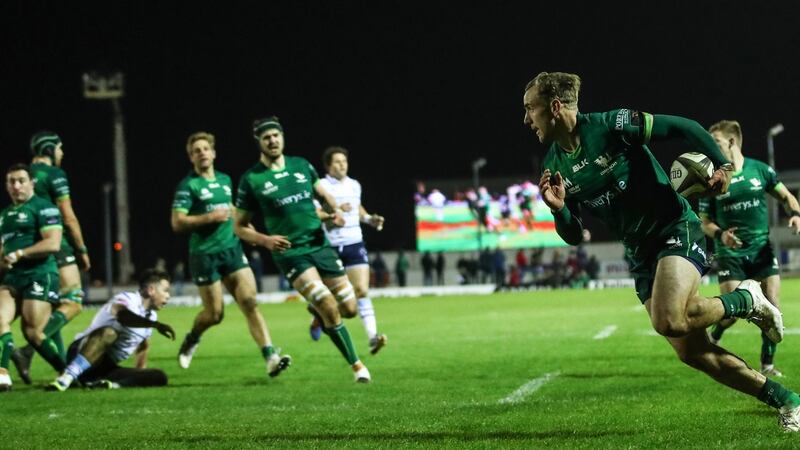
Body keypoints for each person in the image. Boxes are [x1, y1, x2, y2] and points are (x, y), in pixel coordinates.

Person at [525, 71, 799, 430]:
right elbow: (574, 235)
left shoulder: (612, 126)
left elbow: (686, 127)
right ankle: (786, 400)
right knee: (693, 352)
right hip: (640, 253)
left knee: (668, 319)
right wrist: (559, 208)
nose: (527, 119)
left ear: (555, 107)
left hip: (675, 227)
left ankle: (745, 300)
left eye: (531, 109)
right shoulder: (553, 165)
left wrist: (723, 164)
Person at [233, 116, 371, 383]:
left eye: (276, 136)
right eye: (266, 138)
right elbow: (240, 227)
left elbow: (322, 193)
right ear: (259, 142)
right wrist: (265, 240)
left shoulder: (301, 165)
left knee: (350, 308)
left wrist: (333, 211)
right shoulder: (251, 179)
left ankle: (318, 313)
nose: (272, 141)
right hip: (291, 252)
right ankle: (357, 366)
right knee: (329, 305)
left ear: (282, 137)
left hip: (320, 245)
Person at [171, 131, 290, 378]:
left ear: (213, 153)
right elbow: (177, 222)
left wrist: (250, 231)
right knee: (214, 314)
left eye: (206, 149)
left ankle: (270, 357)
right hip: (204, 255)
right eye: (197, 151)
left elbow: (233, 209)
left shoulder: (225, 180)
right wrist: (208, 218)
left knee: (249, 301)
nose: (202, 153)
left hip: (232, 250)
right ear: (191, 157)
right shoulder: (188, 185)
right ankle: (193, 338)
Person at [700, 120, 800, 377]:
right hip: (731, 254)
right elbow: (704, 221)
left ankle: (767, 364)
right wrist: (721, 235)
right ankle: (717, 332)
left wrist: (796, 214)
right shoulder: (714, 179)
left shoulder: (760, 170)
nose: (712, 148)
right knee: (733, 311)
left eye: (717, 142)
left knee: (772, 306)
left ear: (731, 142)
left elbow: (787, 197)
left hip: (761, 251)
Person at [12, 131, 91, 385]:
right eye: (59, 147)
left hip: (28, 247)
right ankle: (27, 349)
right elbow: (67, 216)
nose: (62, 153)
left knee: (54, 308)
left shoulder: (23, 175)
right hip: (55, 245)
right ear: (49, 149)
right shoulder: (55, 175)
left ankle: (61, 369)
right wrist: (81, 249)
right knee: (75, 300)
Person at [47, 269, 175, 391]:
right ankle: (66, 377)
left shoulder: (151, 316)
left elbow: (143, 347)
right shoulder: (127, 299)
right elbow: (122, 316)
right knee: (109, 332)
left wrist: (139, 373)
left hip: (104, 368)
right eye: (166, 290)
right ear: (151, 290)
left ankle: (111, 385)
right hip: (81, 351)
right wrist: (156, 325)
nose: (168, 296)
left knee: (159, 376)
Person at [315, 146, 388, 354]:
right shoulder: (320, 186)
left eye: (344, 161)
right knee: (332, 298)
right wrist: (334, 212)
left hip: (354, 242)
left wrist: (369, 219)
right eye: (337, 162)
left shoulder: (355, 185)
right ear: (328, 166)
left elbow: (358, 207)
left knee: (362, 290)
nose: (342, 165)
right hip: (330, 246)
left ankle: (373, 337)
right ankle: (321, 316)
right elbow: (315, 213)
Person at [0, 164, 65, 390]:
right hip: (13, 277)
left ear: (31, 183)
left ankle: (67, 372)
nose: (16, 186)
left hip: (40, 274)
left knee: (33, 333)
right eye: (11, 181)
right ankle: (3, 375)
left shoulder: (44, 208)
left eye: (21, 180)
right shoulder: (4, 214)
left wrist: (20, 253)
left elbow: (53, 243)